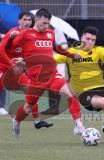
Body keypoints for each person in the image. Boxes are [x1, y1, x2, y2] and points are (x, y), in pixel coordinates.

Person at [0, 11, 53, 130]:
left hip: (17, 70)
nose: (27, 22)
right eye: (24, 20)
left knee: (31, 92)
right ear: (19, 21)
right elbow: (0, 52)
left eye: (29, 20)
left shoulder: (30, 34)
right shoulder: (13, 33)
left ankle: (37, 121)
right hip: (3, 68)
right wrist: (11, 64)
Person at [10, 8, 85, 138]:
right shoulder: (25, 34)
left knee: (71, 93)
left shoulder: (50, 34)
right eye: (44, 23)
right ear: (36, 19)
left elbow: (57, 48)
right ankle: (16, 122)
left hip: (52, 74)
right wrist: (19, 60)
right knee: (28, 107)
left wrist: (72, 55)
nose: (46, 26)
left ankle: (78, 125)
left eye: (48, 23)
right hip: (36, 80)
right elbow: (13, 48)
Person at [55, 26, 104, 143]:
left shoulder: (98, 51)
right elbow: (52, 59)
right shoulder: (70, 53)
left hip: (103, 89)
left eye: (93, 40)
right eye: (88, 39)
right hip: (84, 93)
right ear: (82, 37)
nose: (90, 42)